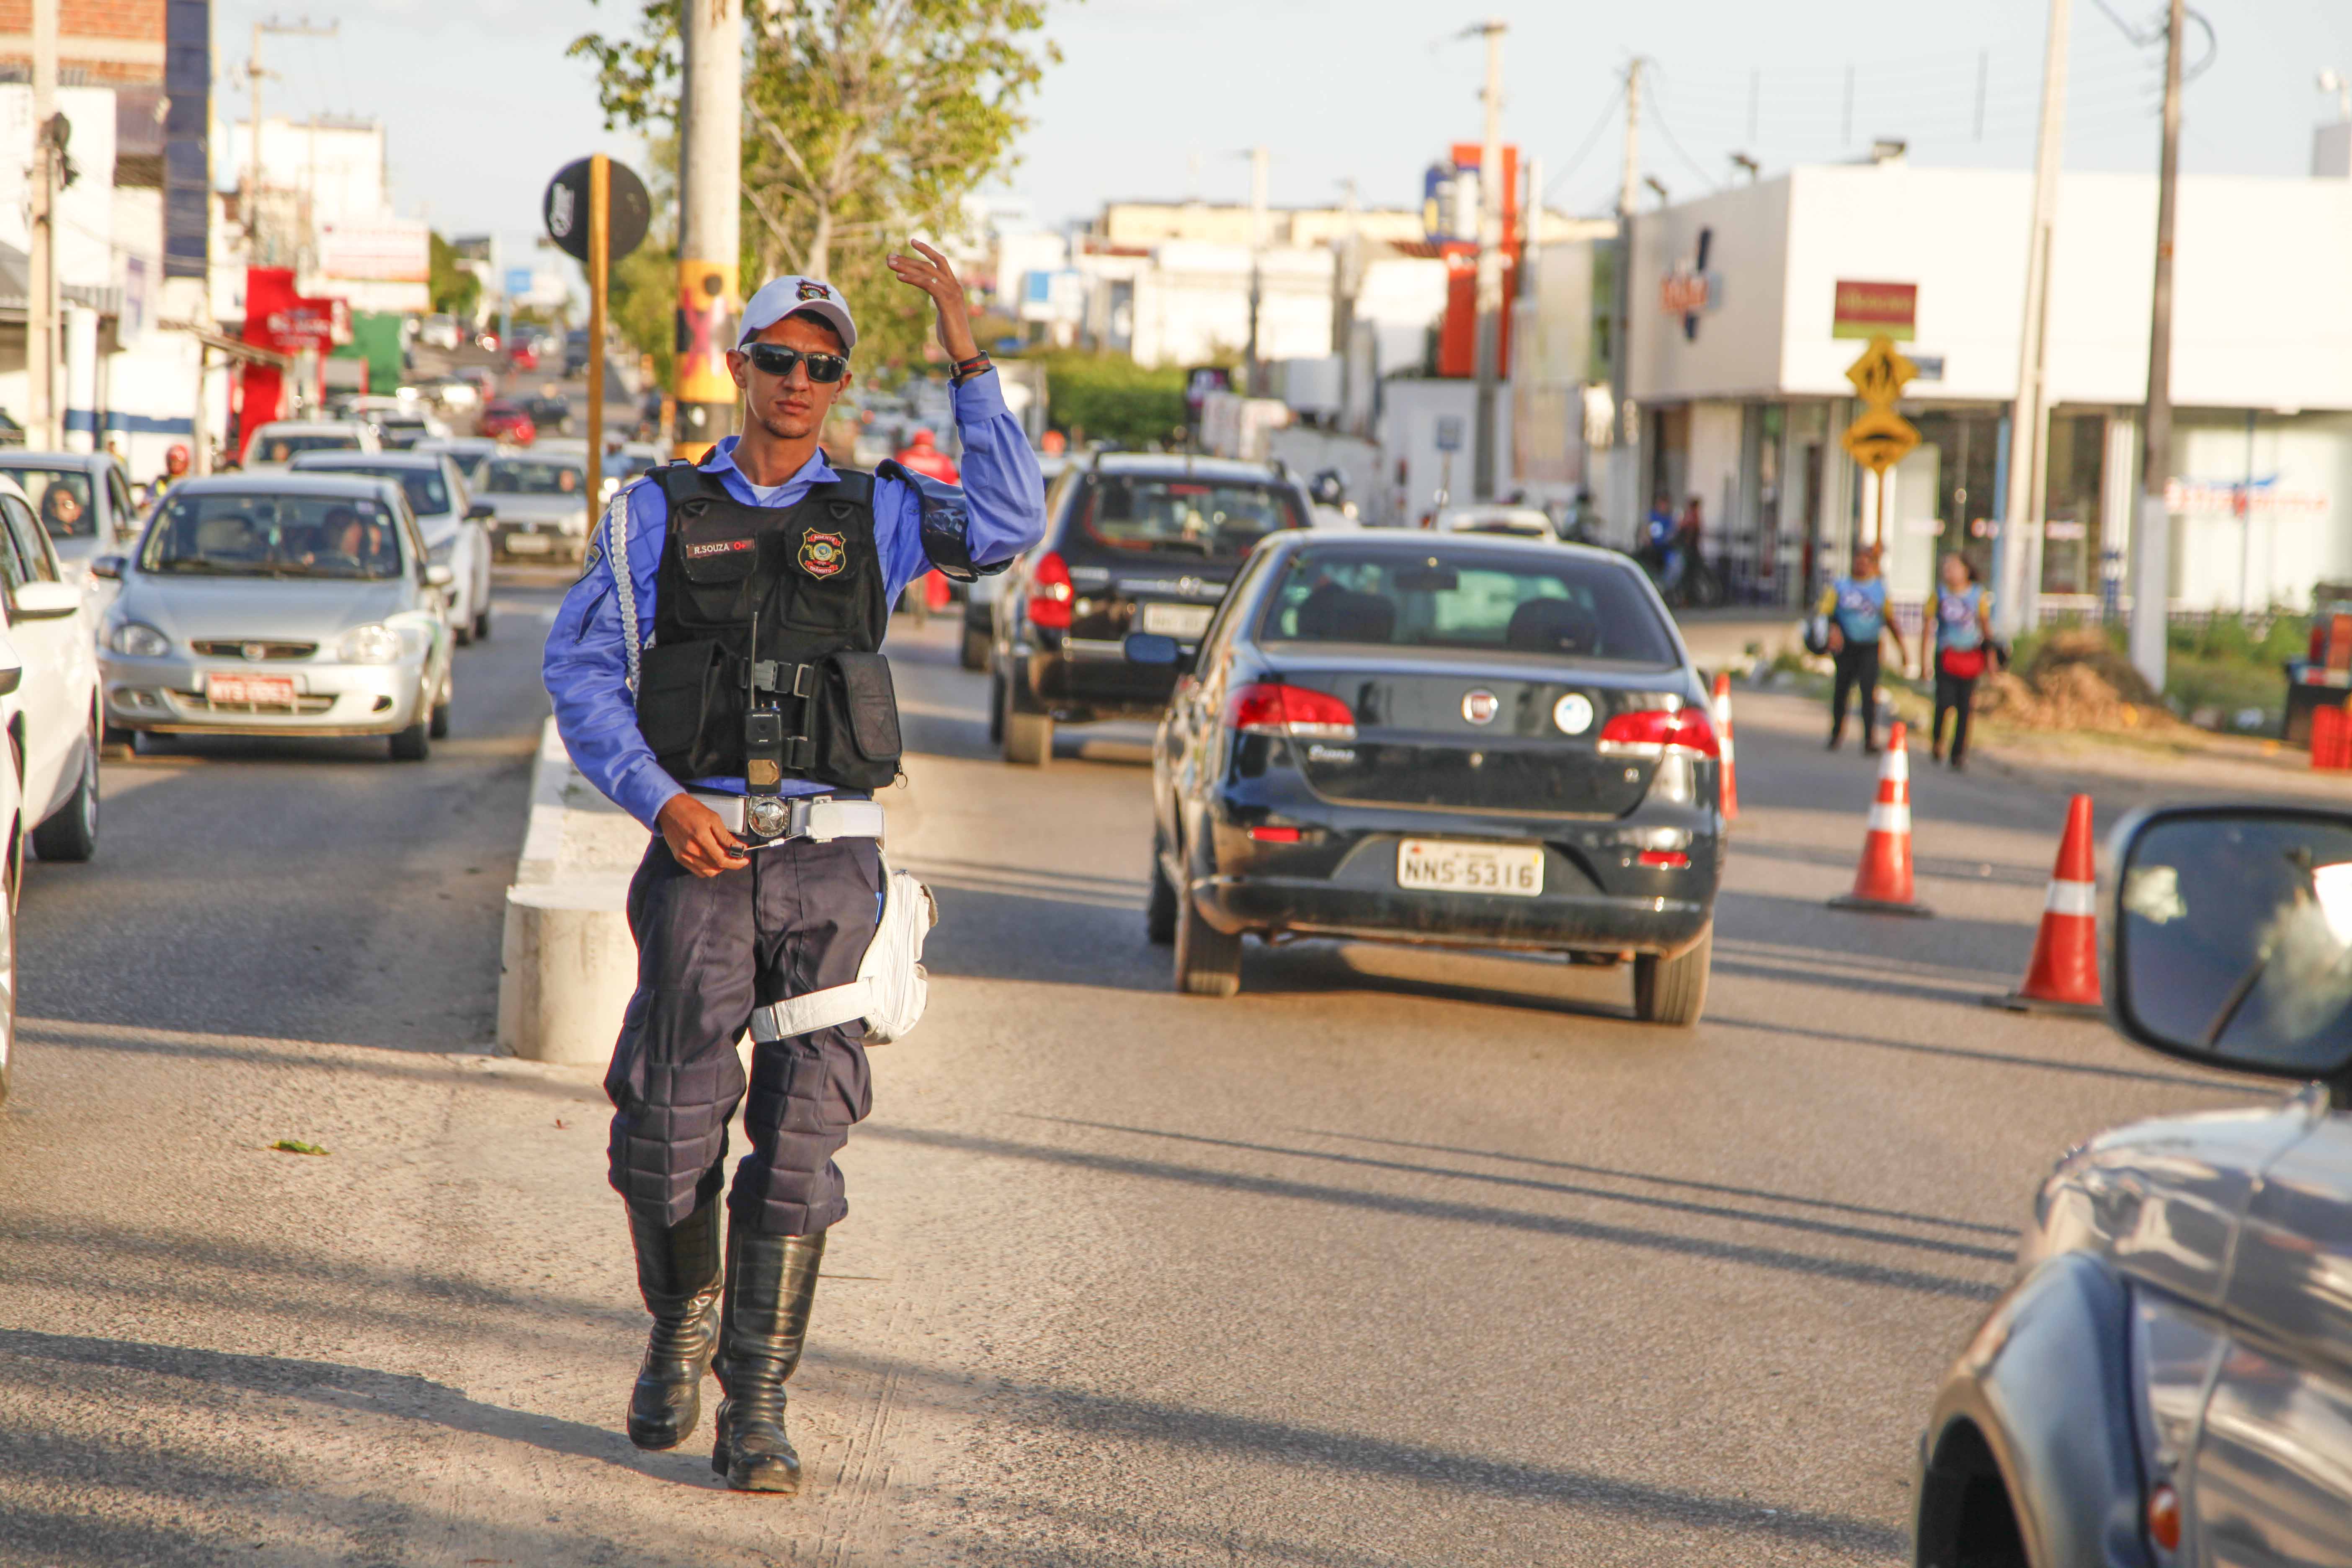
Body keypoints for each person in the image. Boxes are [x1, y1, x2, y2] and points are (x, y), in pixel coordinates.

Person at [543, 246, 1045, 1495]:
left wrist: (965, 347)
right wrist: (657, 802)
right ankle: (681, 1321)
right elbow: (581, 673)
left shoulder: (878, 511)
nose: (801, 382)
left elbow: (1011, 524)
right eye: (780, 358)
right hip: (700, 859)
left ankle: (756, 1407)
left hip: (834, 869)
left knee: (805, 1138)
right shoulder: (652, 514)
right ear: (740, 364)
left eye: (824, 366)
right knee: (666, 1130)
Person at [1818, 543, 1909, 754]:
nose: (1861, 565)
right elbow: (1825, 611)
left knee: (1869, 693)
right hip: (1845, 646)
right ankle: (1836, 734)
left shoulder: (1879, 589)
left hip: (1869, 646)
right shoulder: (1840, 586)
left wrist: (1903, 650)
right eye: (1858, 560)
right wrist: (1832, 630)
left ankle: (1869, 739)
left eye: (1866, 561)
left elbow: (1890, 620)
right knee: (1841, 691)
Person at [1929, 552, 1994, 770]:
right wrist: (1921, 661)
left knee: (1966, 708)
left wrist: (1991, 661)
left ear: (1966, 570)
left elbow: (1986, 629)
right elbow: (1927, 626)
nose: (1949, 572)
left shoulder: (1978, 595)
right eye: (1947, 568)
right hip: (1946, 655)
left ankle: (1958, 753)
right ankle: (1938, 740)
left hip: (1970, 657)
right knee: (1944, 702)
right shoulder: (1939, 594)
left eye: (1954, 567)